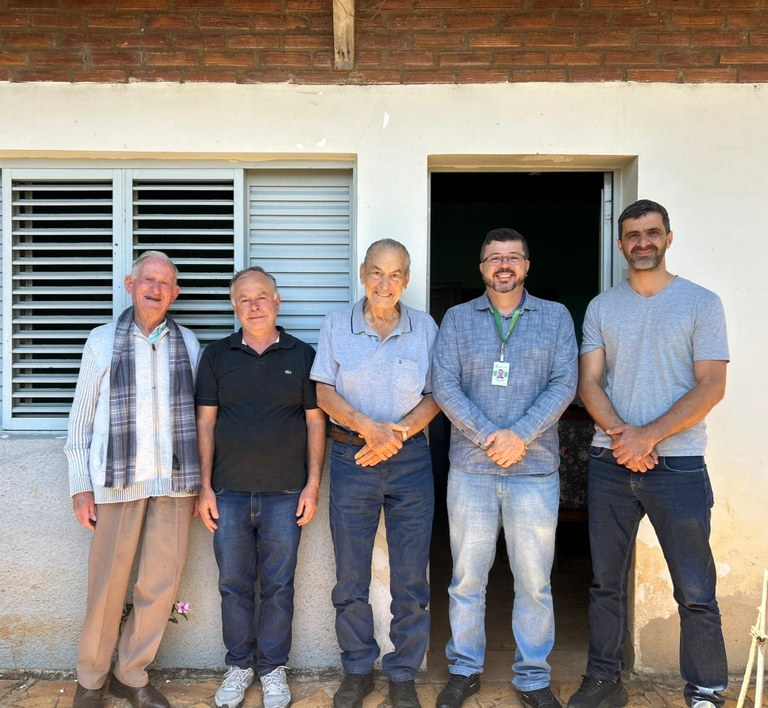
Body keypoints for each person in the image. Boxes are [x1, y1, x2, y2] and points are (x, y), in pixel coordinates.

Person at [567, 200, 729, 708]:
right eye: (633, 235)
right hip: (610, 462)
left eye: (652, 233)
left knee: (694, 588)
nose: (643, 242)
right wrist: (624, 437)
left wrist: (648, 437)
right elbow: (588, 382)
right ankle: (604, 681)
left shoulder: (701, 303)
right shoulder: (602, 307)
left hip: (679, 465)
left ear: (668, 238)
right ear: (620, 245)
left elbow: (712, 385)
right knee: (605, 583)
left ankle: (706, 689)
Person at [432, 228, 577, 708]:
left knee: (534, 582)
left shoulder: (555, 317)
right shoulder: (457, 319)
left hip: (534, 470)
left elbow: (565, 383)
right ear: (482, 268)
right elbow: (444, 385)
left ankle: (533, 676)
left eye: (513, 257)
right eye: (495, 258)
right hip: (471, 470)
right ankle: (464, 668)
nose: (504, 265)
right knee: (467, 578)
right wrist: (488, 437)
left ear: (527, 266)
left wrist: (520, 435)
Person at [65, 251, 201, 708]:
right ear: (130, 284)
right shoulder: (102, 341)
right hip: (117, 482)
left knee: (159, 586)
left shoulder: (190, 344)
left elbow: (201, 418)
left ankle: (131, 673)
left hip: (175, 484)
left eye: (165, 283)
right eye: (148, 279)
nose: (155, 289)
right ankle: (91, 680)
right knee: (106, 585)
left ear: (175, 293)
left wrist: (203, 484)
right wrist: (80, 485)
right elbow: (80, 421)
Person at [310, 239, 440, 708]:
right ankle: (358, 669)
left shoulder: (425, 327)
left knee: (411, 579)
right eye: (377, 273)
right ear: (363, 273)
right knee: (350, 576)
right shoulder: (335, 324)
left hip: (411, 461)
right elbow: (323, 391)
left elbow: (437, 394)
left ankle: (403, 673)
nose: (386, 283)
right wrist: (369, 429)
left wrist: (395, 435)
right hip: (352, 457)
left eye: (395, 274)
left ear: (407, 279)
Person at [195, 267, 326, 708]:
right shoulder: (216, 356)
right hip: (228, 494)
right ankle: (238, 666)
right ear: (235, 307)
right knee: (233, 584)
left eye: (261, 297)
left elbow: (315, 423)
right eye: (244, 299)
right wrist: (204, 488)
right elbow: (205, 423)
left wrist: (312, 485)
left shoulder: (303, 355)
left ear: (277, 301)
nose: (254, 306)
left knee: (278, 586)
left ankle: (272, 669)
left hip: (286, 494)